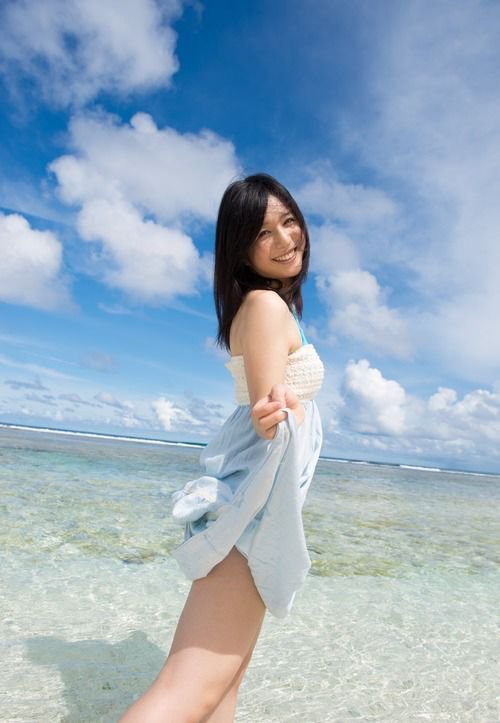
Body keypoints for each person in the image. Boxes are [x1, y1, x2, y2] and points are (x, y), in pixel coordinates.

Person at [119, 173, 324, 723]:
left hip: (251, 509)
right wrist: (273, 417)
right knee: (186, 694)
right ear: (240, 248)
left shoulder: (268, 307)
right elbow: (267, 409)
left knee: (222, 691)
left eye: (289, 221)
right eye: (263, 233)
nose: (285, 239)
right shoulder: (265, 306)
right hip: (249, 516)